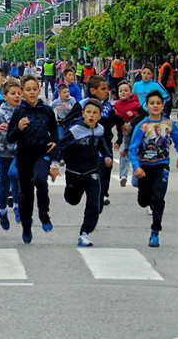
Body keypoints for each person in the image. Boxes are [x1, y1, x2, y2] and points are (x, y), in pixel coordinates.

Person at [128, 90, 178, 247]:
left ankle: (155, 232)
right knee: (143, 200)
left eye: (158, 103)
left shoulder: (168, 124)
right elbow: (132, 149)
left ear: (163, 105)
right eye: (152, 103)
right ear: (146, 106)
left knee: (159, 197)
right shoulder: (142, 126)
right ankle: (145, 197)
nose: (155, 106)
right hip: (144, 166)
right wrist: (136, 167)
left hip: (161, 165)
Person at [6, 75, 58, 244]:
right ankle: (26, 227)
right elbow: (10, 137)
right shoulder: (19, 111)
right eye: (28, 90)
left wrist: (54, 142)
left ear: (39, 89)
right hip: (24, 157)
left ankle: (44, 214)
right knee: (26, 195)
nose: (32, 92)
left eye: (35, 89)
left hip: (42, 154)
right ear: (22, 92)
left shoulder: (47, 110)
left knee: (40, 179)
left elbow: (54, 130)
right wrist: (19, 128)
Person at [57, 99, 112, 247]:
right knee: (73, 200)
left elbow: (102, 144)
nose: (91, 115)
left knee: (94, 202)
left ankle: (85, 233)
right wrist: (55, 163)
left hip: (92, 171)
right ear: (83, 114)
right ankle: (68, 193)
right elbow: (61, 146)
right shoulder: (75, 130)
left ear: (99, 116)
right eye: (88, 112)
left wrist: (107, 156)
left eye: (95, 113)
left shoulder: (100, 129)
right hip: (74, 171)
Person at [63, 75, 123, 207]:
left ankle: (103, 194)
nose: (107, 91)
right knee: (89, 176)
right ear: (93, 91)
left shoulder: (107, 105)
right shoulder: (83, 104)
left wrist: (122, 127)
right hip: (86, 147)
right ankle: (76, 191)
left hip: (104, 143)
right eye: (103, 89)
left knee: (105, 169)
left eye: (107, 88)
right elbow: (68, 121)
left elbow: (114, 119)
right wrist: (80, 129)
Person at [0, 78, 22, 229]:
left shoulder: (24, 111)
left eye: (19, 93)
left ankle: (17, 206)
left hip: (21, 153)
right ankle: (2, 211)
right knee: (4, 184)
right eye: (13, 93)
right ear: (5, 96)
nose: (17, 96)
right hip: (4, 153)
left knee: (15, 176)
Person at [113, 82, 141, 187]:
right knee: (123, 154)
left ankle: (136, 176)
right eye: (121, 91)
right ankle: (123, 176)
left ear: (131, 93)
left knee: (136, 155)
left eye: (126, 90)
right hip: (123, 133)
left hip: (135, 134)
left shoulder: (136, 104)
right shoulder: (117, 105)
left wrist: (133, 114)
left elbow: (142, 116)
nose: (123, 93)